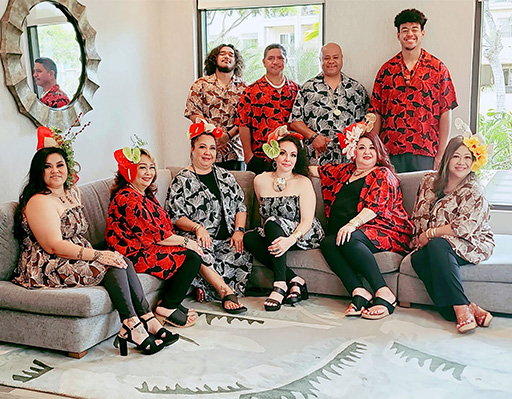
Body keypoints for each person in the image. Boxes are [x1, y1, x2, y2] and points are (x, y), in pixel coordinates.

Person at [13, 136, 174, 357]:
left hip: (74, 255)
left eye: (60, 165)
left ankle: (146, 318)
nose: (55, 171)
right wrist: (98, 255)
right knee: (112, 264)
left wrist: (102, 255)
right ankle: (132, 325)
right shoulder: (39, 201)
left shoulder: (71, 193)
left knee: (121, 259)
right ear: (38, 172)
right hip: (48, 264)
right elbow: (53, 246)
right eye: (47, 167)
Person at [310, 115, 412, 319]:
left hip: (384, 230)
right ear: (353, 152)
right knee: (329, 243)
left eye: (372, 148)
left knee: (348, 237)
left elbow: (375, 206)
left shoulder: (382, 174)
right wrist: (287, 165)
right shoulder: (345, 172)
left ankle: (383, 291)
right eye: (361, 147)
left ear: (379, 152)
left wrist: (351, 225)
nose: (366, 152)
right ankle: (358, 291)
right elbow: (315, 171)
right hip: (349, 232)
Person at [410, 124, 495, 334]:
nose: (461, 162)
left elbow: (464, 227)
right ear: (447, 158)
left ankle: (459, 307)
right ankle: (466, 307)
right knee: (417, 259)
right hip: (434, 243)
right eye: (457, 156)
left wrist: (429, 234)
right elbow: (417, 212)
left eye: (467, 158)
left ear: (474, 162)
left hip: (472, 241)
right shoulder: (429, 181)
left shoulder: (474, 190)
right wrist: (417, 238)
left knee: (438, 245)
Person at [105, 145, 201, 328]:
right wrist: (188, 242)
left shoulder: (143, 194)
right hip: (133, 254)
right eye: (142, 167)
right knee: (191, 257)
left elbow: (160, 230)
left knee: (191, 252)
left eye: (151, 167)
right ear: (129, 170)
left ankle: (171, 303)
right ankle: (167, 308)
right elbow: (156, 235)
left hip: (147, 246)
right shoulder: (127, 198)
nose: (148, 172)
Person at [165, 121, 251, 314]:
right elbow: (174, 216)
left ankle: (203, 285)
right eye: (202, 147)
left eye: (212, 148)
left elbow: (240, 206)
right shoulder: (182, 179)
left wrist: (239, 231)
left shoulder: (225, 175)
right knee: (200, 254)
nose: (208, 152)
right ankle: (224, 291)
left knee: (241, 253)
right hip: (199, 239)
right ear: (192, 149)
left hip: (225, 239)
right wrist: (198, 228)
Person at [243, 128, 325, 311]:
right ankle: (294, 279)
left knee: (272, 221)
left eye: (293, 155)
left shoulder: (303, 181)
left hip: (303, 233)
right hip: (274, 232)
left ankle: (280, 285)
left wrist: (290, 240)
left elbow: (307, 221)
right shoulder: (260, 180)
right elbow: (264, 214)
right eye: (283, 153)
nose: (288, 159)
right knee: (248, 237)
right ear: (273, 155)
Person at [369, 9, 458, 172]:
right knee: (391, 196)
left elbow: (446, 112)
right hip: (390, 151)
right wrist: (374, 150)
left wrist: (441, 153)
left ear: (422, 33)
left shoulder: (438, 69)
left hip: (426, 150)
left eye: (414, 29)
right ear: (398, 35)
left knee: (424, 196)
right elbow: (376, 113)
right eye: (404, 30)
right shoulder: (386, 70)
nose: (410, 34)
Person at [290, 42, 369, 166]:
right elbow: (295, 121)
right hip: (316, 162)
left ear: (342, 59)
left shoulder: (356, 89)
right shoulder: (308, 88)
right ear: (320, 60)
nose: (331, 61)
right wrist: (313, 136)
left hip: (349, 163)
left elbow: (367, 124)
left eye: (335, 57)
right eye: (326, 58)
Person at [236, 44, 300, 175]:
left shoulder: (297, 90)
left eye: (280, 58)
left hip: (289, 159)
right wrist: (248, 156)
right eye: (271, 58)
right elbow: (243, 124)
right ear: (264, 62)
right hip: (260, 158)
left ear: (286, 61)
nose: (275, 62)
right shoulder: (251, 91)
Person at [184, 44, 247, 170]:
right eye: (222, 54)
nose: (227, 57)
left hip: (234, 152)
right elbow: (193, 112)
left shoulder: (245, 88)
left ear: (236, 61)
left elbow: (245, 118)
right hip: (205, 150)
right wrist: (214, 135)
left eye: (231, 55)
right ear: (215, 58)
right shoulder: (200, 84)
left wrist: (227, 137)